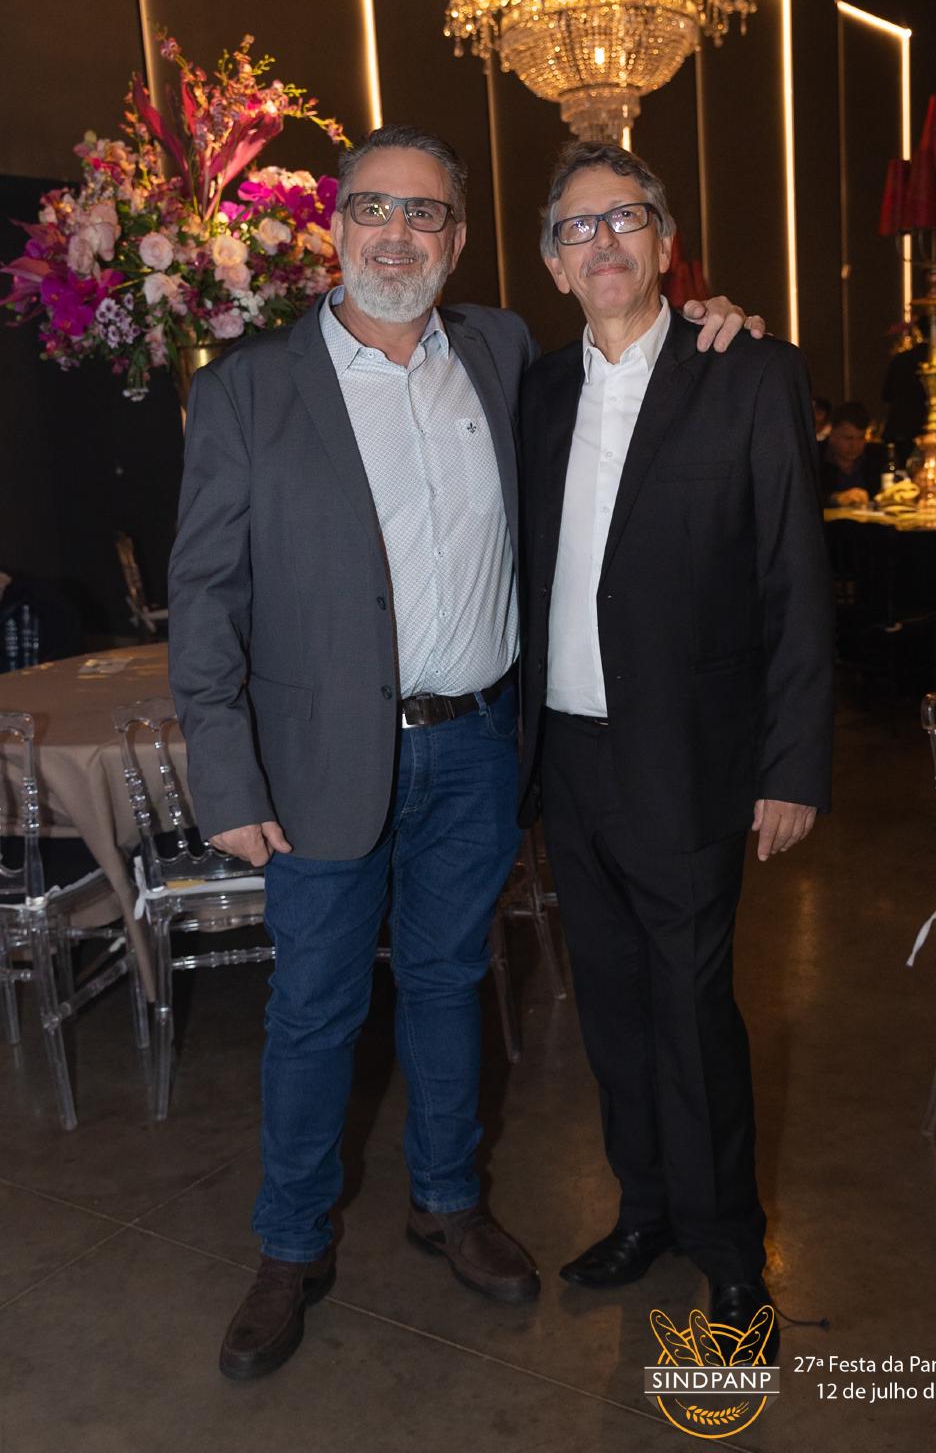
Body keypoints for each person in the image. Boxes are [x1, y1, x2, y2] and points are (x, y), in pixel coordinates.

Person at [168, 123, 761, 1381]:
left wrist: (715, 319)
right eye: (374, 208)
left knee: (448, 986)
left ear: (459, 240)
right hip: (318, 764)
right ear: (335, 226)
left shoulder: (498, 355)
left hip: (480, 746)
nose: (397, 234)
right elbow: (205, 598)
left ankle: (446, 1201)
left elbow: (632, 353)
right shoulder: (246, 390)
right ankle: (288, 1247)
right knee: (315, 1009)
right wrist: (224, 775)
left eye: (425, 213)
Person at [517, 141, 833, 1365]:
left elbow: (793, 579)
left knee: (693, 1012)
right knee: (609, 1005)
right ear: (553, 263)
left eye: (625, 219)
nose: (602, 242)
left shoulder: (746, 370)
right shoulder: (534, 391)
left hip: (692, 758)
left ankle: (729, 1252)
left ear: (663, 242)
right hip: (567, 758)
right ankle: (642, 1210)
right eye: (578, 227)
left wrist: (791, 765)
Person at [819, 402, 887, 506]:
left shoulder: (876, 456)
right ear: (832, 435)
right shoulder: (814, 456)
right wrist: (835, 498)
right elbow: (803, 496)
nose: (855, 445)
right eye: (848, 438)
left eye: (861, 438)